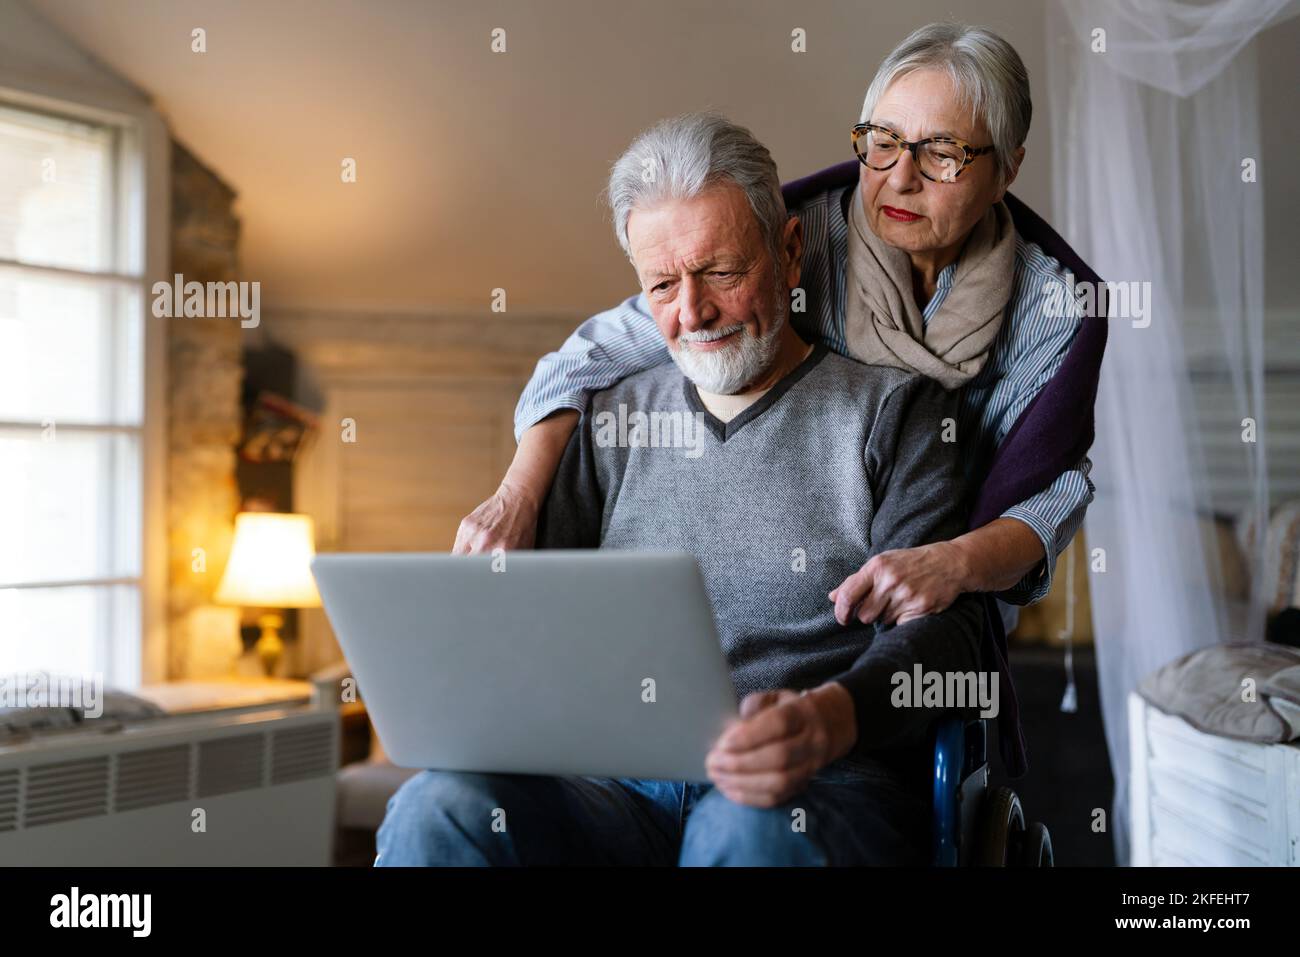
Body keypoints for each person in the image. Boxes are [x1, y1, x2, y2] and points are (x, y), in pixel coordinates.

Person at [375, 113, 985, 866]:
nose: (691, 312)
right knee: (440, 807)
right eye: (662, 284)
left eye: (721, 273)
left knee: (741, 828)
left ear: (789, 252)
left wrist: (832, 716)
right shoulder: (608, 418)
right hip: (613, 787)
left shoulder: (900, 414)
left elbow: (955, 639)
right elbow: (524, 618)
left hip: (812, 785)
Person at [455, 23, 1094, 644]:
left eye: (943, 154)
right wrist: (515, 496)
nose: (900, 177)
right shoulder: (809, 235)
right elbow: (589, 358)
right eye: (884, 141)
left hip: (951, 574)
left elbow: (1055, 486)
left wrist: (955, 562)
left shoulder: (1052, 306)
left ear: (1007, 169)